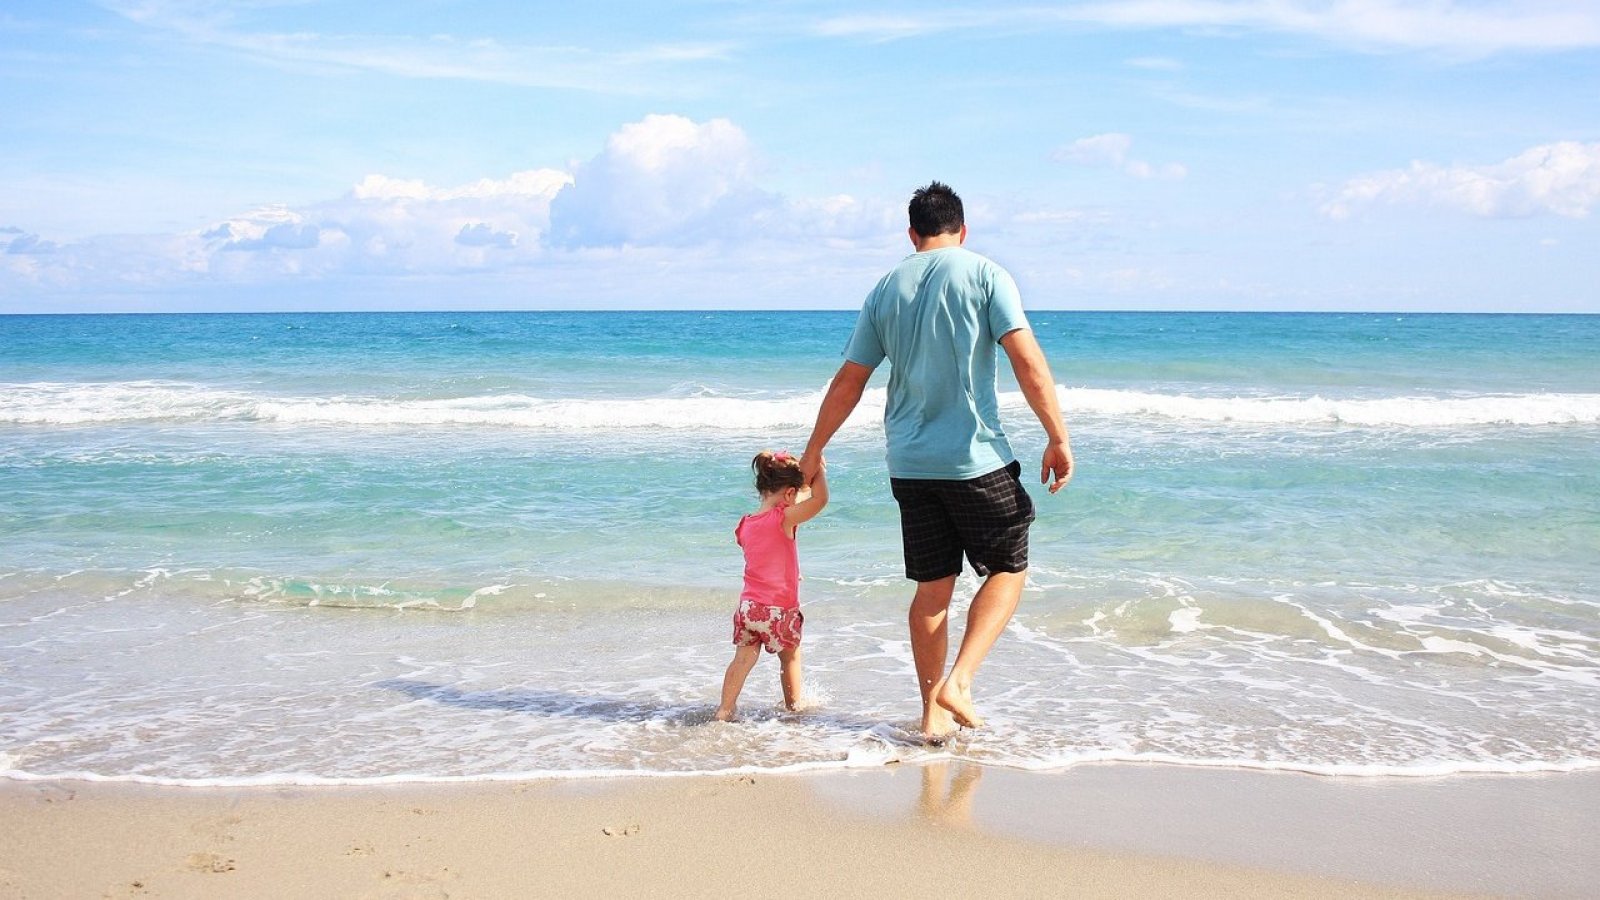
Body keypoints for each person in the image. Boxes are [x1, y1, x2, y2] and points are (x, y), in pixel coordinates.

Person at [799, 181, 1072, 740]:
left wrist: (814, 448)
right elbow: (1026, 360)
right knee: (1009, 568)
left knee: (932, 589)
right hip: (972, 459)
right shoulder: (985, 274)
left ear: (912, 233)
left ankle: (931, 716)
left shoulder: (884, 288)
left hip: (909, 462)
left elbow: (851, 380)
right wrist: (1057, 436)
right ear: (962, 230)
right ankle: (961, 682)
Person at [714, 450, 830, 721]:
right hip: (778, 609)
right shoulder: (783, 519)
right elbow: (820, 499)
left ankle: (724, 710)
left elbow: (765, 554)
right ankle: (794, 708)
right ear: (789, 495)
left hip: (748, 608)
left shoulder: (744, 525)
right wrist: (819, 472)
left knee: (742, 660)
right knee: (790, 657)